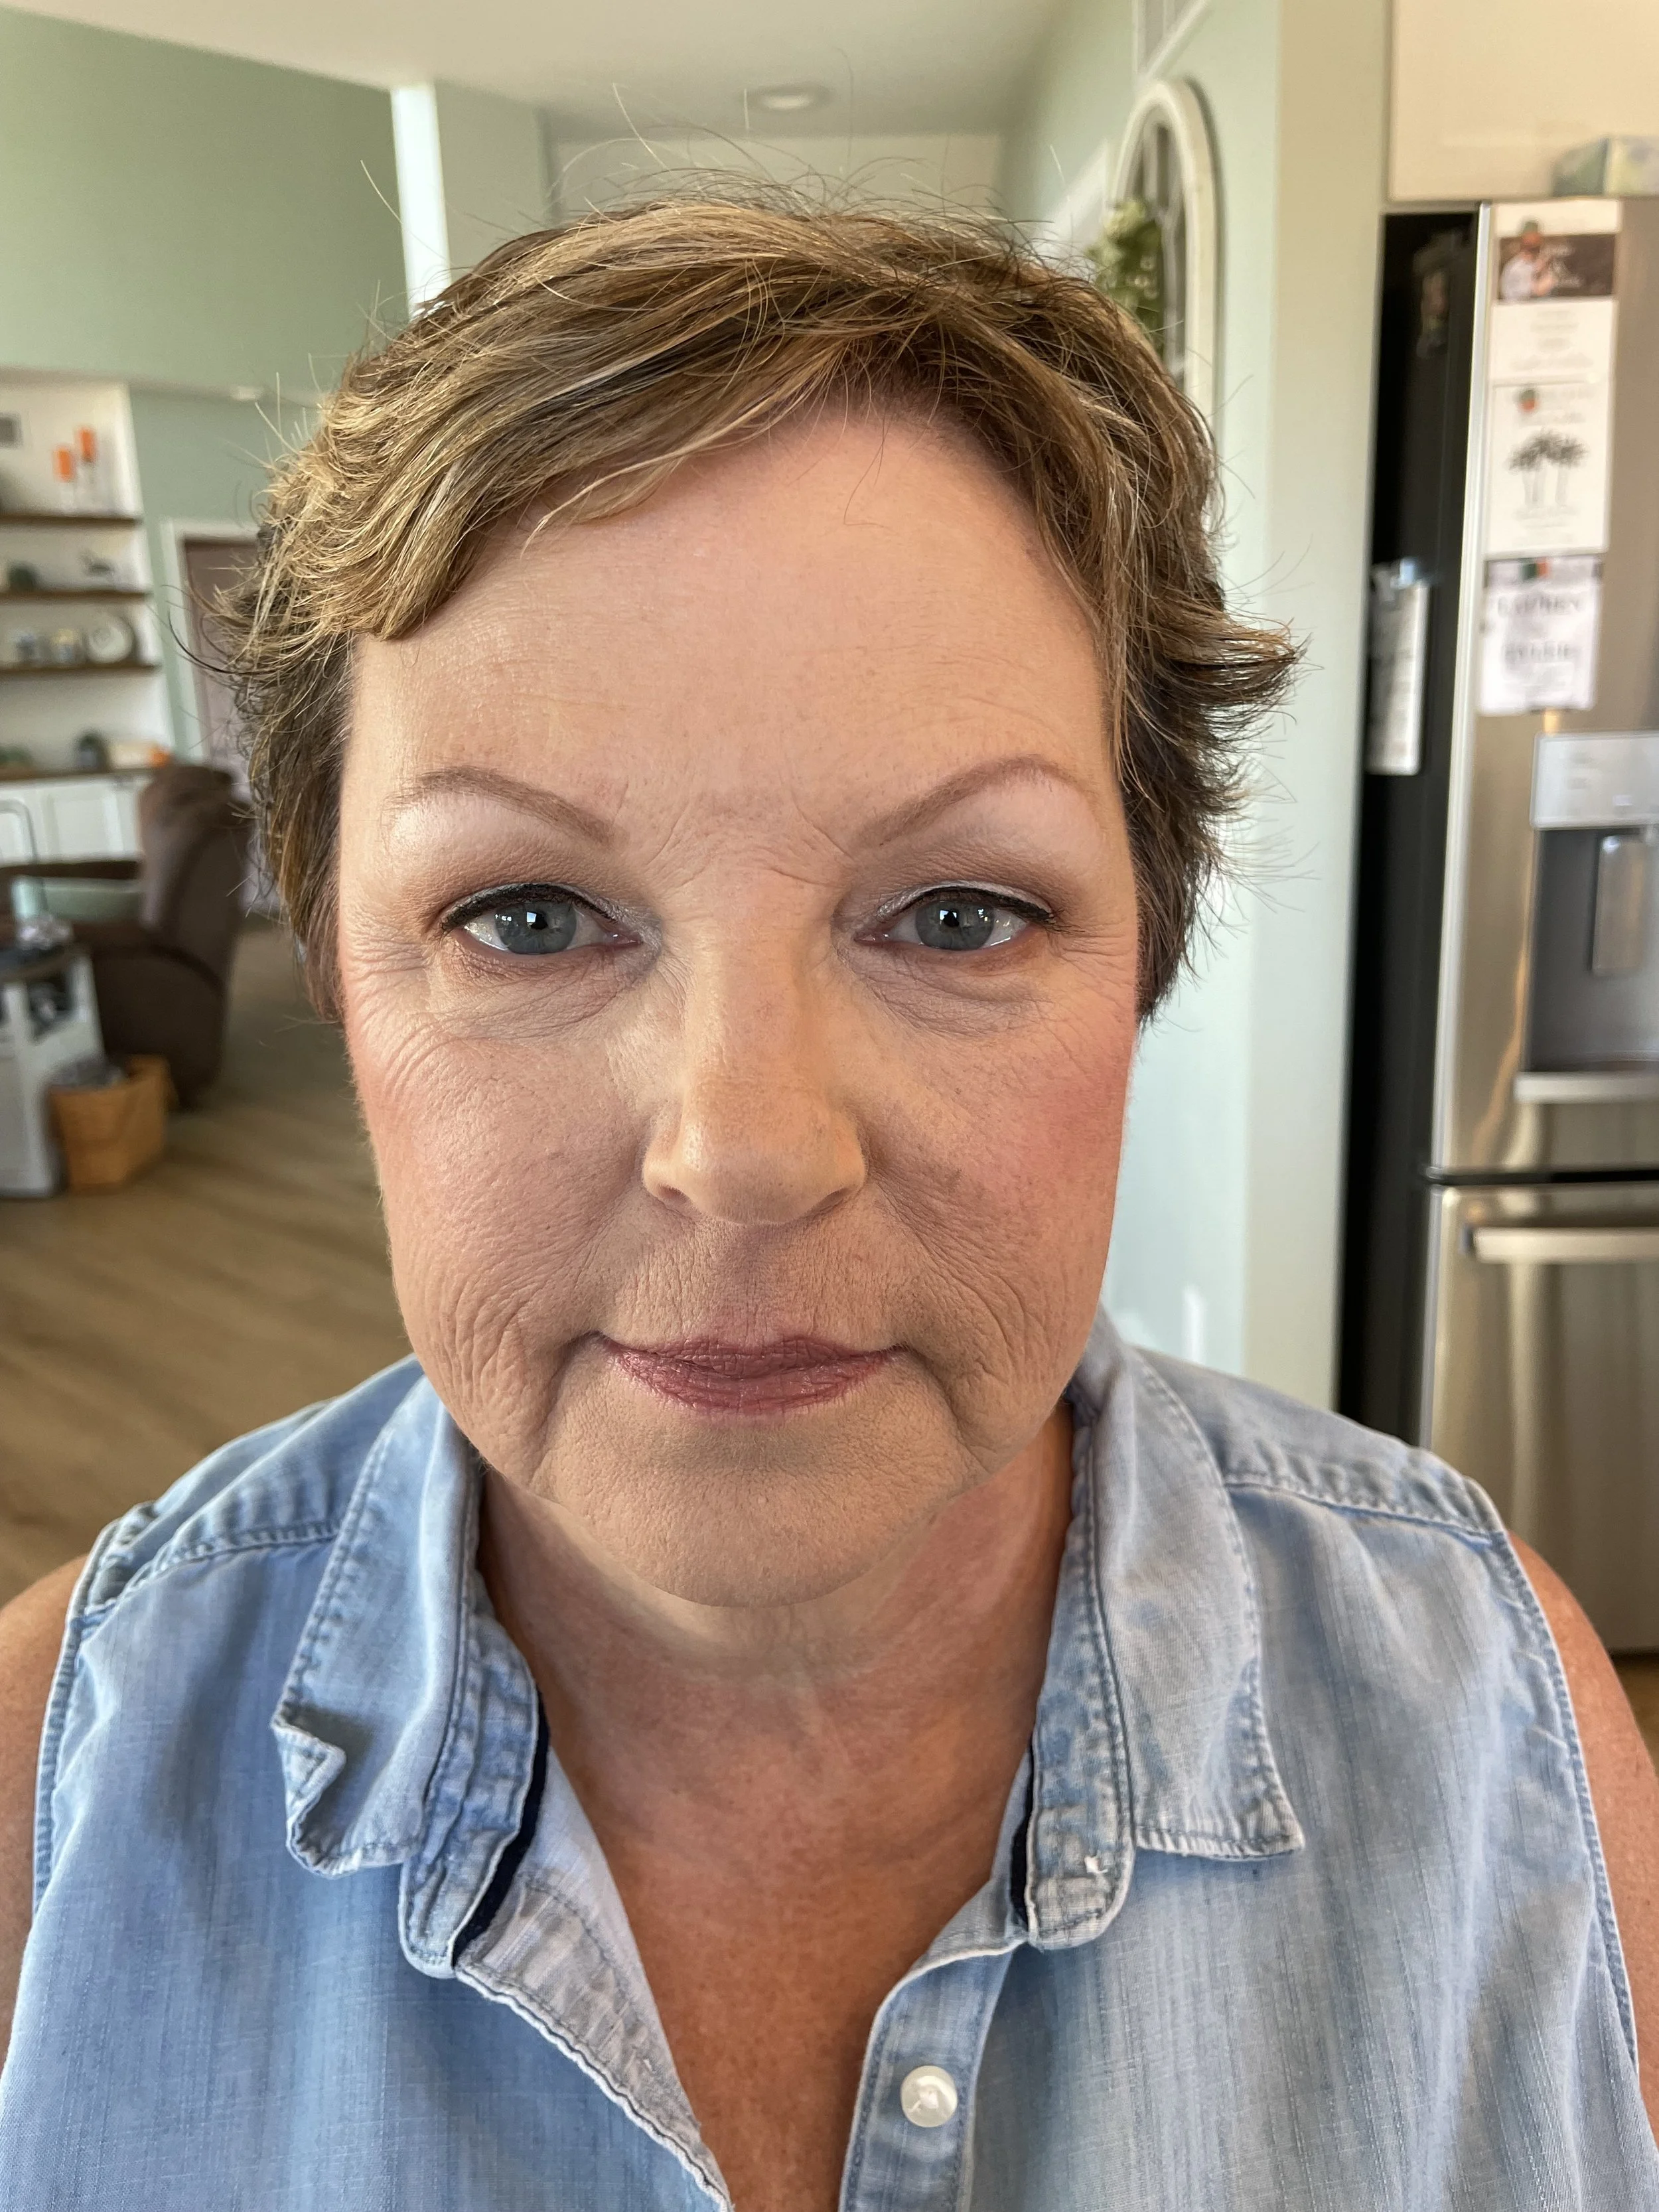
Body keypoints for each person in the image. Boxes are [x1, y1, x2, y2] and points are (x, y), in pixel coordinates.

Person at [0, 197, 1655, 2211]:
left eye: (957, 913)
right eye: (526, 917)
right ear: (340, 981)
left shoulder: (1497, 1732)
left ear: (1146, 958)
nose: (747, 1143)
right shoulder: (47, 1802)